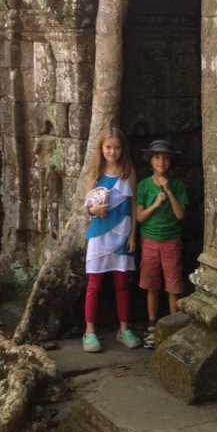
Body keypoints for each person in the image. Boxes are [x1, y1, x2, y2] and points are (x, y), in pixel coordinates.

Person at [83, 126, 142, 352]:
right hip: (99, 233)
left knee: (121, 283)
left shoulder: (128, 172)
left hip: (123, 232)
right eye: (108, 147)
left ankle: (124, 329)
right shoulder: (95, 172)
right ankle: (89, 331)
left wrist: (133, 235)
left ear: (122, 149)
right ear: (101, 148)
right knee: (94, 284)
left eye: (117, 148)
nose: (112, 152)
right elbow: (86, 206)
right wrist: (93, 211)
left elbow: (134, 203)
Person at [136, 139, 188, 349]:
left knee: (173, 285)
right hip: (149, 240)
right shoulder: (144, 185)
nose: (161, 162)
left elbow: (180, 214)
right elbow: (139, 217)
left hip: (171, 241)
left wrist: (169, 192)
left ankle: (173, 326)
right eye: (157, 157)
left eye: (166, 158)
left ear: (171, 162)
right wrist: (156, 204)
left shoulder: (177, 185)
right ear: (150, 161)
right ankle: (152, 326)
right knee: (151, 285)